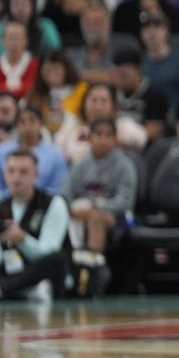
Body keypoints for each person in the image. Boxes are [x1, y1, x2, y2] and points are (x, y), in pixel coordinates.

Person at [62, 118, 137, 295]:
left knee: (95, 217)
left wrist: (95, 206)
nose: (103, 140)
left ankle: (93, 271)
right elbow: (65, 195)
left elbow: (125, 201)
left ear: (115, 139)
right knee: (68, 213)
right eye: (98, 135)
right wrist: (73, 209)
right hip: (82, 213)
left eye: (108, 135)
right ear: (90, 138)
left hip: (121, 217)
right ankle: (73, 268)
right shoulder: (80, 165)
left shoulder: (124, 165)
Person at [0, 149, 70, 300]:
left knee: (57, 259)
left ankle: (8, 289)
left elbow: (49, 250)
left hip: (41, 270)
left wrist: (22, 239)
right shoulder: (2, 205)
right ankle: (17, 289)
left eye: (23, 172)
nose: (16, 178)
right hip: (11, 269)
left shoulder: (54, 203)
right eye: (11, 171)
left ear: (36, 175)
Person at [0, 107, 68, 200]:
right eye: (22, 122)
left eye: (32, 121)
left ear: (40, 124)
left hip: (44, 206)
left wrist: (34, 200)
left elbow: (58, 187)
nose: (27, 127)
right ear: (16, 125)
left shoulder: (56, 155)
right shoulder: (2, 151)